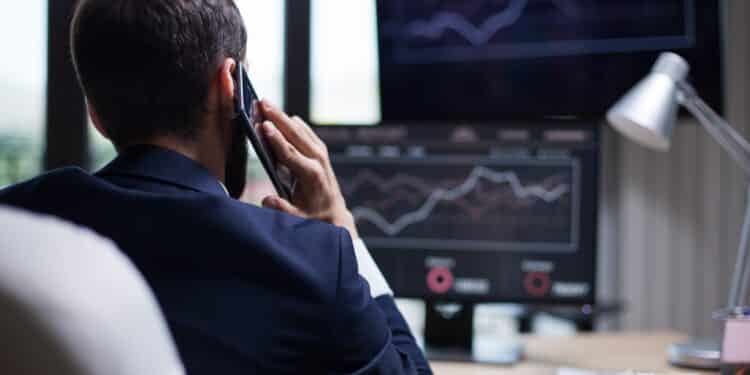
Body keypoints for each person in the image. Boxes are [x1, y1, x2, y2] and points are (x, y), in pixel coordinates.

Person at [0, 0, 432, 374]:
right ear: (231, 88)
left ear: (94, 111)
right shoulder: (314, 261)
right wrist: (345, 231)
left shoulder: (15, 230)